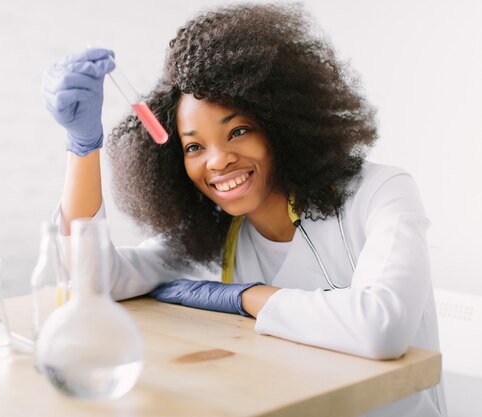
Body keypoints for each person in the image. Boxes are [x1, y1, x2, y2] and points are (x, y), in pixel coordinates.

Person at [41, 4, 446, 416]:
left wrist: (242, 298)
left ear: (281, 126)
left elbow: (383, 329)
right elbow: (93, 277)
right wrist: (82, 147)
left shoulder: (381, 192)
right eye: (194, 147)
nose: (217, 161)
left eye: (238, 131)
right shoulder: (214, 231)